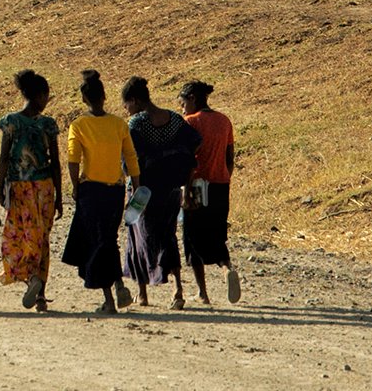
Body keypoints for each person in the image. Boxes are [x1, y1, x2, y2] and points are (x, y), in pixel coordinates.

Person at [60, 69, 139, 314]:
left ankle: (111, 296)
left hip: (91, 192)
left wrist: (75, 187)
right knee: (108, 239)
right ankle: (116, 285)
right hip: (115, 192)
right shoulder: (118, 124)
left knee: (98, 242)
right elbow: (131, 158)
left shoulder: (79, 125)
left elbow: (73, 161)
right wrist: (136, 188)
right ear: (105, 96)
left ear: (84, 99)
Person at [122, 76, 200, 310]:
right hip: (171, 190)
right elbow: (195, 143)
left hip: (143, 191)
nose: (126, 110)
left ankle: (142, 293)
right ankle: (178, 291)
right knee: (168, 236)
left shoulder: (136, 124)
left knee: (138, 238)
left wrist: (135, 188)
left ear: (134, 101)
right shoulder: (175, 119)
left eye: (126, 105)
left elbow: (129, 161)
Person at [0, 69, 62, 312]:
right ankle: (41, 294)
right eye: (46, 96)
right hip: (44, 188)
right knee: (42, 239)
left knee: (19, 237)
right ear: (39, 95)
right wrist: (60, 197)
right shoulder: (47, 124)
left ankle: (30, 279)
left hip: (19, 188)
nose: (47, 101)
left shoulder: (11, 122)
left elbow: (3, 159)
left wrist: (0, 186)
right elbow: (55, 162)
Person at [180, 80, 240, 305]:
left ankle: (203, 293)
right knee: (216, 237)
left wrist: (185, 191)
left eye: (183, 102)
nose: (182, 107)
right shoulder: (224, 121)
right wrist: (224, 177)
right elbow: (230, 157)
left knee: (193, 239)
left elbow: (187, 160)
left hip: (196, 187)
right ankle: (227, 269)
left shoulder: (190, 123)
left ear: (193, 98)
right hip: (221, 186)